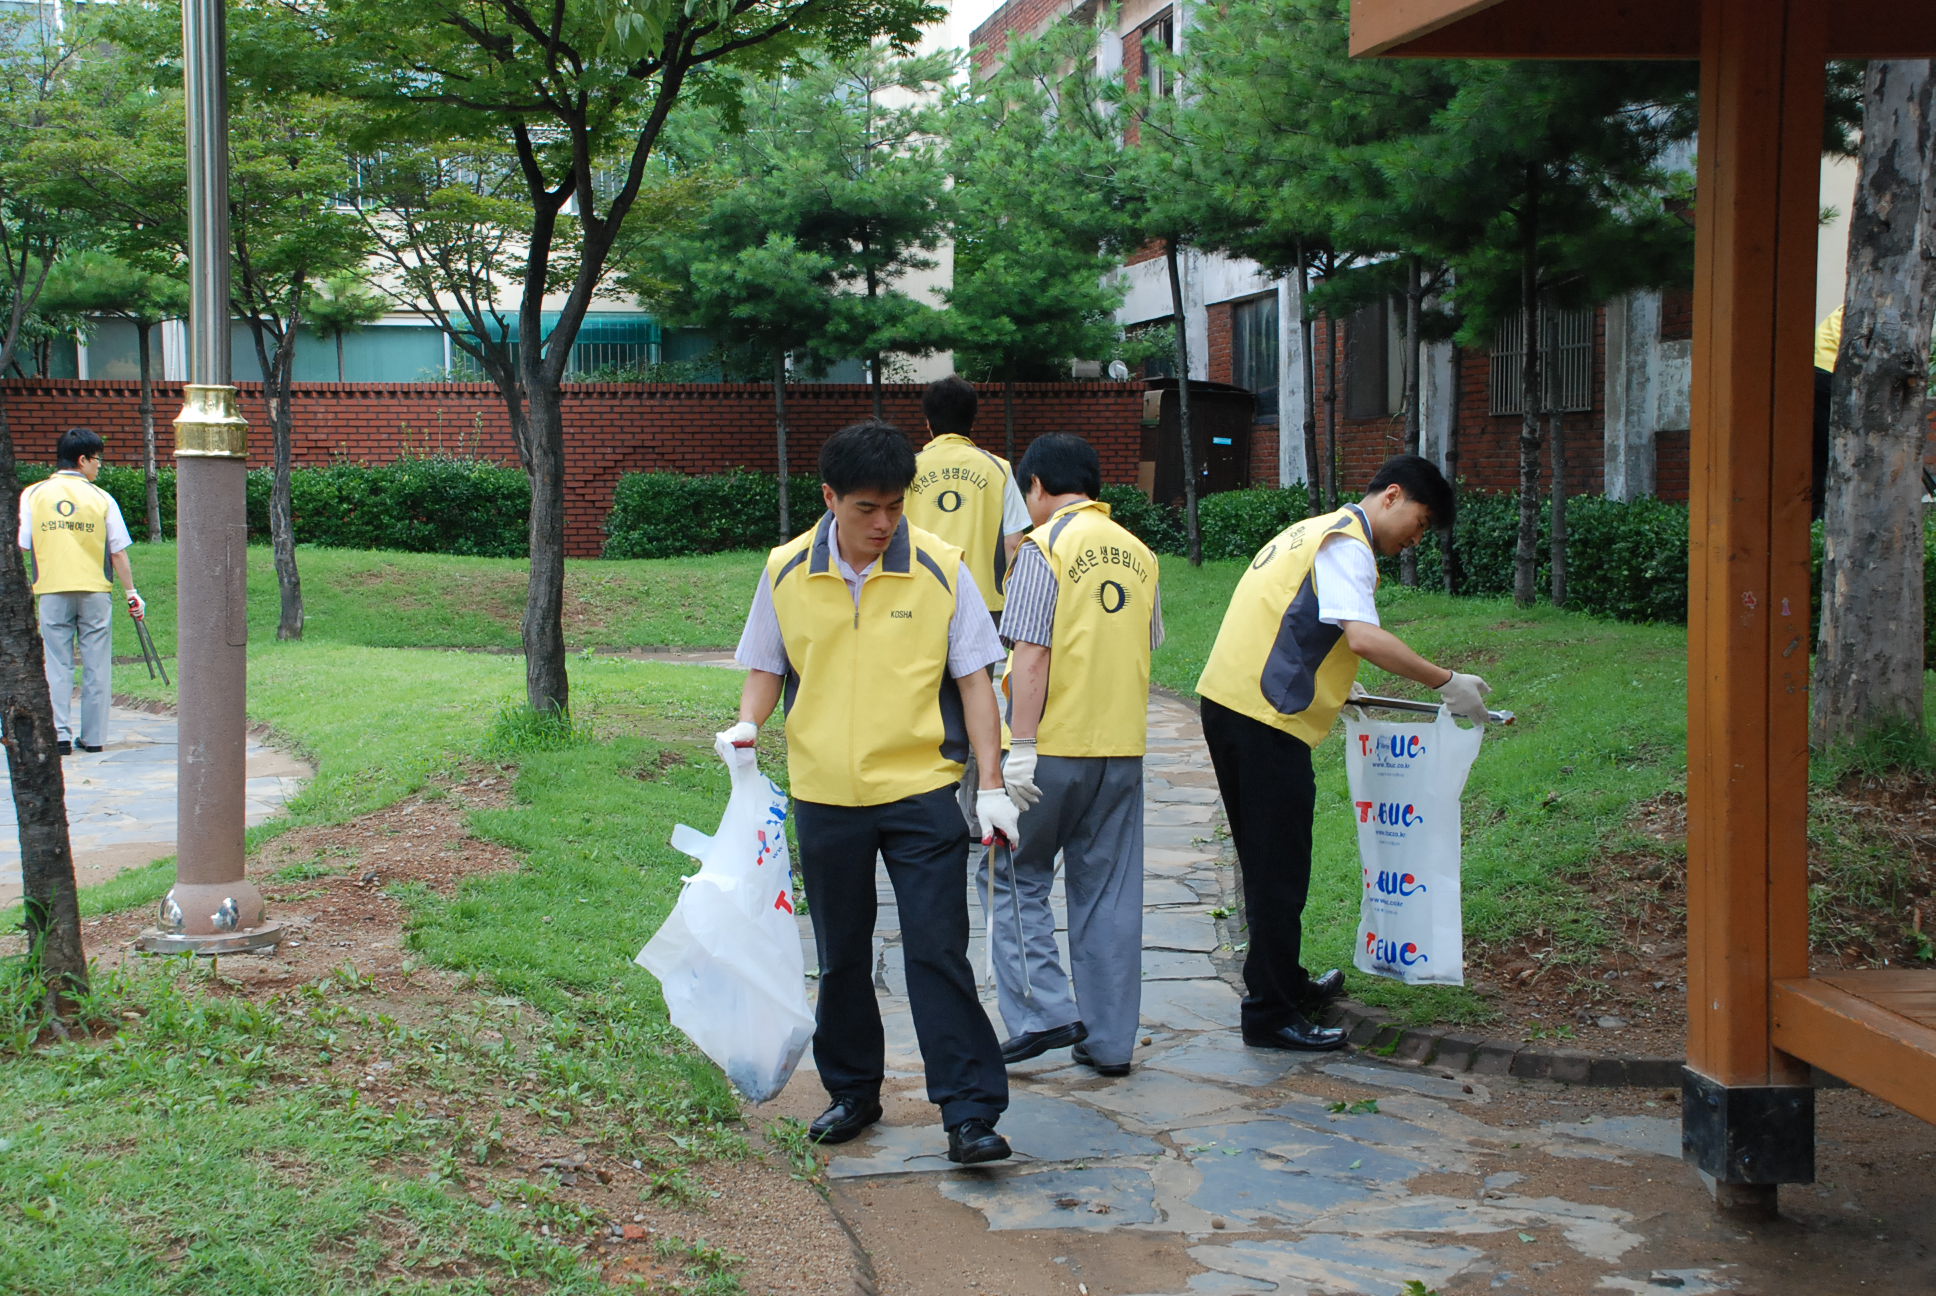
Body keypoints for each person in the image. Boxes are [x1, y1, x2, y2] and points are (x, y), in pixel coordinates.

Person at [718, 420, 1024, 1165]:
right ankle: (853, 1091)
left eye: (895, 506)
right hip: (825, 793)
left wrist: (992, 784)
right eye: (866, 508)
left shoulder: (941, 567)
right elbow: (768, 663)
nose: (884, 524)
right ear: (829, 498)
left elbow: (976, 683)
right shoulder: (787, 568)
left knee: (937, 950)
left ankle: (970, 1113)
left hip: (919, 791)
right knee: (843, 953)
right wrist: (748, 725)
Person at [1195, 454, 1491, 1052]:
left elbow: (1293, 616)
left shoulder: (1315, 529)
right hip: (1261, 719)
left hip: (1235, 706)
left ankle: (1281, 983)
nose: (1416, 537)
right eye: (1421, 519)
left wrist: (1333, 676)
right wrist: (1445, 680)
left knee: (1271, 861)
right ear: (1392, 496)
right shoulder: (1347, 543)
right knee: (1278, 870)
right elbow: (1362, 634)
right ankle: (1270, 1014)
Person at [987, 433, 1162, 1077]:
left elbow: (1031, 652)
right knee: (1109, 894)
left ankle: (1044, 1014)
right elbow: (1146, 644)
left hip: (1052, 750)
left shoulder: (1044, 547)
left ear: (1035, 486)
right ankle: (1112, 1041)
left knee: (1014, 875)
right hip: (1122, 751)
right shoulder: (1141, 556)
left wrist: (1021, 746)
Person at [18, 427, 145, 757]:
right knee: (96, 665)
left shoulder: (33, 494)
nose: (99, 466)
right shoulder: (102, 499)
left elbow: (22, 544)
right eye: (97, 459)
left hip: (52, 590)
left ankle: (59, 734)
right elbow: (117, 552)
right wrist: (131, 592)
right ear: (82, 459)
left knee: (56, 665)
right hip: (94, 592)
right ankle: (94, 737)